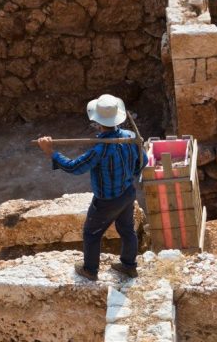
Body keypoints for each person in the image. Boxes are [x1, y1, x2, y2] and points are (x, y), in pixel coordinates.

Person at [37, 93, 147, 281]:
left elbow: (75, 167)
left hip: (106, 202)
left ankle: (90, 269)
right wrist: (130, 176)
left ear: (97, 121)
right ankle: (129, 265)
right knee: (127, 230)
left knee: (91, 233)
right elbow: (143, 161)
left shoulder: (100, 150)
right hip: (128, 193)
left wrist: (51, 152)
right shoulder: (130, 137)